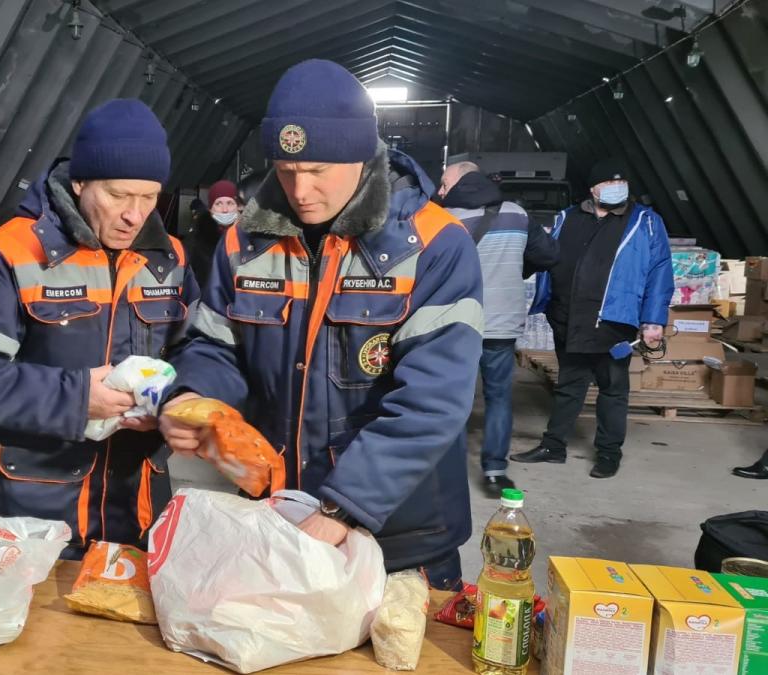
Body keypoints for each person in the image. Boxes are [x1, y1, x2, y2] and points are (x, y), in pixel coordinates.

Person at [159, 59, 484, 590]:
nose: (300, 189)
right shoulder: (245, 242)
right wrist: (192, 398)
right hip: (279, 514)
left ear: (360, 156)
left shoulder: (432, 246)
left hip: (397, 538)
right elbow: (215, 344)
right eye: (286, 172)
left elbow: (433, 401)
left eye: (316, 171)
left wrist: (343, 508)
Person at [0, 99, 197, 559]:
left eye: (149, 197)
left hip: (137, 507)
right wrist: (74, 398)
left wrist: (180, 398)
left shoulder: (169, 259)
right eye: (118, 195)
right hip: (34, 514)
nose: (135, 214)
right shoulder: (10, 253)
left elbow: (193, 349)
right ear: (79, 182)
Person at [512, 158, 671, 479]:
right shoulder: (566, 218)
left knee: (613, 389)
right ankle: (553, 446)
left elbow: (660, 272)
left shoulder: (645, 222)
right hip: (568, 317)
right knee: (569, 385)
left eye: (621, 183)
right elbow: (546, 256)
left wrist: (653, 320)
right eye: (609, 184)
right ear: (593, 190)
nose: (617, 189)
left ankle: (609, 453)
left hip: (613, 321)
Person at [438, 162, 558, 497]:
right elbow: (548, 256)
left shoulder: (445, 219)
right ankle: (494, 471)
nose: (440, 189)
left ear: (460, 181)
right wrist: (517, 268)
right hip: (502, 324)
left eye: (445, 182)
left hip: (456, 322)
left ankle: (447, 471)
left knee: (452, 397)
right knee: (499, 397)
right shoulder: (517, 215)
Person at [185, 180, 240, 288]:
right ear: (210, 209)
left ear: (238, 207)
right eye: (218, 204)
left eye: (230, 203)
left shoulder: (249, 240)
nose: (225, 210)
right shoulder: (193, 244)